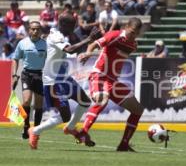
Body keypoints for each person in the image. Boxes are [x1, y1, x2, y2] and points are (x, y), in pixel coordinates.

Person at [27, 13, 100, 149]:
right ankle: (35, 131)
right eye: (72, 26)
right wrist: (89, 39)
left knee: (85, 101)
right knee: (65, 116)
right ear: (65, 25)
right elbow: (69, 49)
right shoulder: (56, 36)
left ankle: (71, 128)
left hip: (63, 78)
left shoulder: (57, 34)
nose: (74, 29)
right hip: (54, 81)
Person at [77, 17, 144, 152]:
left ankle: (124, 144)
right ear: (126, 27)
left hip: (113, 81)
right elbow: (94, 44)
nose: (133, 36)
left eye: (136, 34)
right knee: (102, 100)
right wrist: (88, 53)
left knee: (137, 109)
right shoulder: (114, 35)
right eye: (131, 32)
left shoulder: (133, 45)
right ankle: (83, 132)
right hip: (99, 75)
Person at [11, 21, 47, 139]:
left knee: (39, 104)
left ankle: (36, 130)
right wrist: (14, 75)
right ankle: (26, 126)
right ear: (29, 30)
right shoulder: (22, 43)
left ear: (40, 30)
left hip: (39, 75)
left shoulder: (45, 44)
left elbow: (50, 59)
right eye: (33, 29)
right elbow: (15, 59)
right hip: (27, 74)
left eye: (37, 29)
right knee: (26, 101)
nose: (35, 31)